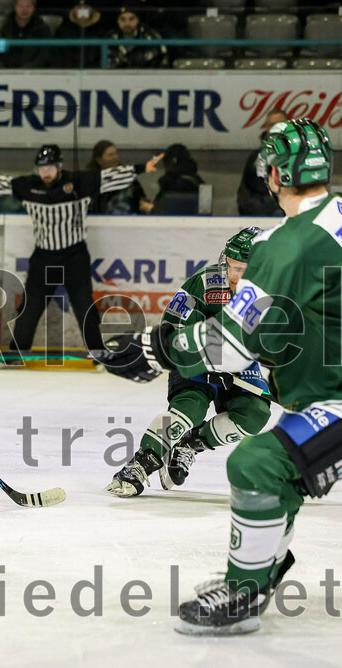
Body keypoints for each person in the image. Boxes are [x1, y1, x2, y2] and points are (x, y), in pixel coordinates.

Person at [99, 118, 338, 635]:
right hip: (316, 398)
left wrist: (156, 348)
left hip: (333, 403)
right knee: (284, 471)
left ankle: (243, 594)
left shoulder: (287, 244)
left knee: (257, 464)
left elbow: (231, 342)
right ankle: (263, 568)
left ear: (272, 174)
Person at [105, 228, 272, 497]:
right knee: (189, 409)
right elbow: (175, 326)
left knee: (255, 414)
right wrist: (204, 361)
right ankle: (139, 464)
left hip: (240, 363)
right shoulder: (206, 282)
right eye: (230, 265)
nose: (232, 275)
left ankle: (190, 445)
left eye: (242, 269)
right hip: (196, 355)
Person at [0, 145, 161, 360]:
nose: (45, 173)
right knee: (30, 306)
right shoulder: (29, 186)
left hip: (74, 256)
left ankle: (97, 350)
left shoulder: (78, 183)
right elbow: (3, 183)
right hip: (44, 257)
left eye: (50, 168)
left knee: (84, 305)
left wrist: (141, 168)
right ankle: (17, 352)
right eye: (42, 168)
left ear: (59, 167)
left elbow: (108, 178)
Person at [238, 108, 288, 217]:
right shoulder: (256, 157)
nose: (275, 128)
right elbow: (244, 191)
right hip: (261, 213)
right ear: (266, 127)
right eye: (272, 125)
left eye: (280, 124)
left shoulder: (297, 154)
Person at [86, 140, 152, 214]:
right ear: (99, 160)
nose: (115, 157)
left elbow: (142, 201)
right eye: (110, 155)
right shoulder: (89, 180)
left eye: (115, 154)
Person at [0, 0, 52, 69]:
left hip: (31, 75)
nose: (24, 10)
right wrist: (2, 72)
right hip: (3, 74)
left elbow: (44, 56)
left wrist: (25, 72)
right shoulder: (2, 27)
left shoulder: (41, 29)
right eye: (21, 6)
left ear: (33, 8)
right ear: (15, 7)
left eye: (28, 6)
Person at [151, 143, 204, 215]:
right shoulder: (194, 180)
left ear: (173, 161)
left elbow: (162, 208)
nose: (164, 165)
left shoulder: (179, 184)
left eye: (165, 161)